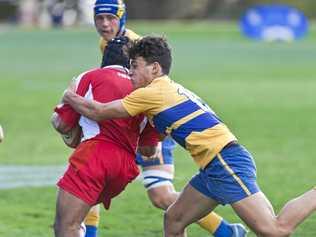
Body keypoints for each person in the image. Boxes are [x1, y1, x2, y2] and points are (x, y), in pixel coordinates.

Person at [62, 35, 316, 237]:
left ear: (155, 68)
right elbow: (154, 143)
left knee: (274, 230)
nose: (130, 72)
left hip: (224, 161)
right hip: (213, 166)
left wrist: (70, 95)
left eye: (135, 66)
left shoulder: (150, 92)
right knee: (174, 220)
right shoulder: (168, 88)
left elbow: (99, 111)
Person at [88, 0, 248, 236]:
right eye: (99, 18)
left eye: (110, 18)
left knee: (159, 195)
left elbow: (142, 90)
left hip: (150, 125)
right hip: (133, 123)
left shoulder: (132, 45)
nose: (104, 24)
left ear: (122, 18)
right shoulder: (106, 43)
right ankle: (226, 231)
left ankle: (225, 231)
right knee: (94, 180)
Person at [51, 37, 160, 237]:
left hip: (94, 156)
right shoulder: (147, 90)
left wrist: (66, 98)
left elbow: (63, 124)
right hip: (124, 168)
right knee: (77, 219)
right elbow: (148, 150)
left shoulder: (91, 76)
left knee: (66, 225)